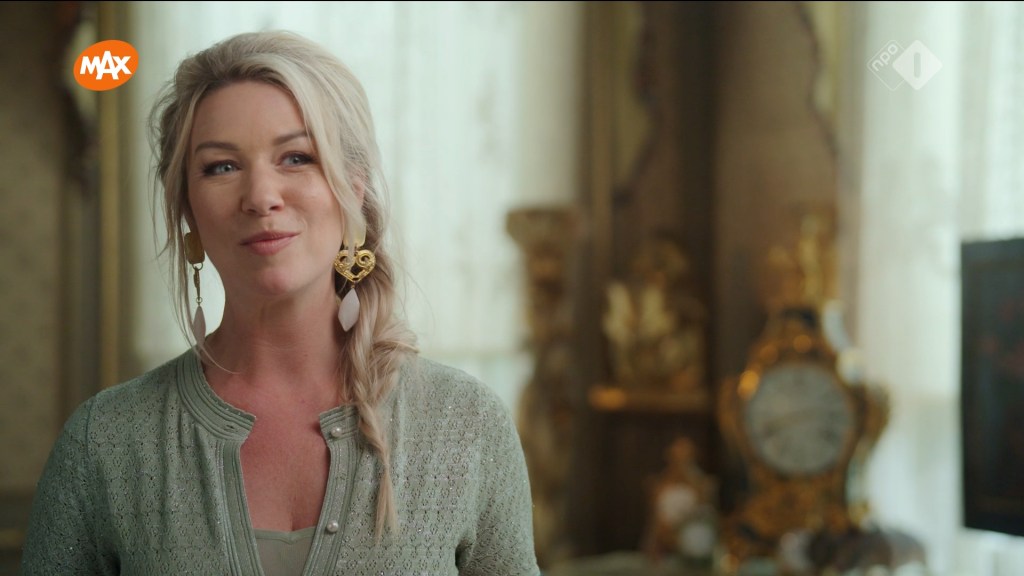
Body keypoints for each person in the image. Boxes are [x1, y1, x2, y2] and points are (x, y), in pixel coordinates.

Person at [21, 30, 540, 576]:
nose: (261, 197)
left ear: (353, 188)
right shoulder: (104, 441)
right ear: (187, 209)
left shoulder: (465, 424)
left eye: (296, 157)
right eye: (222, 166)